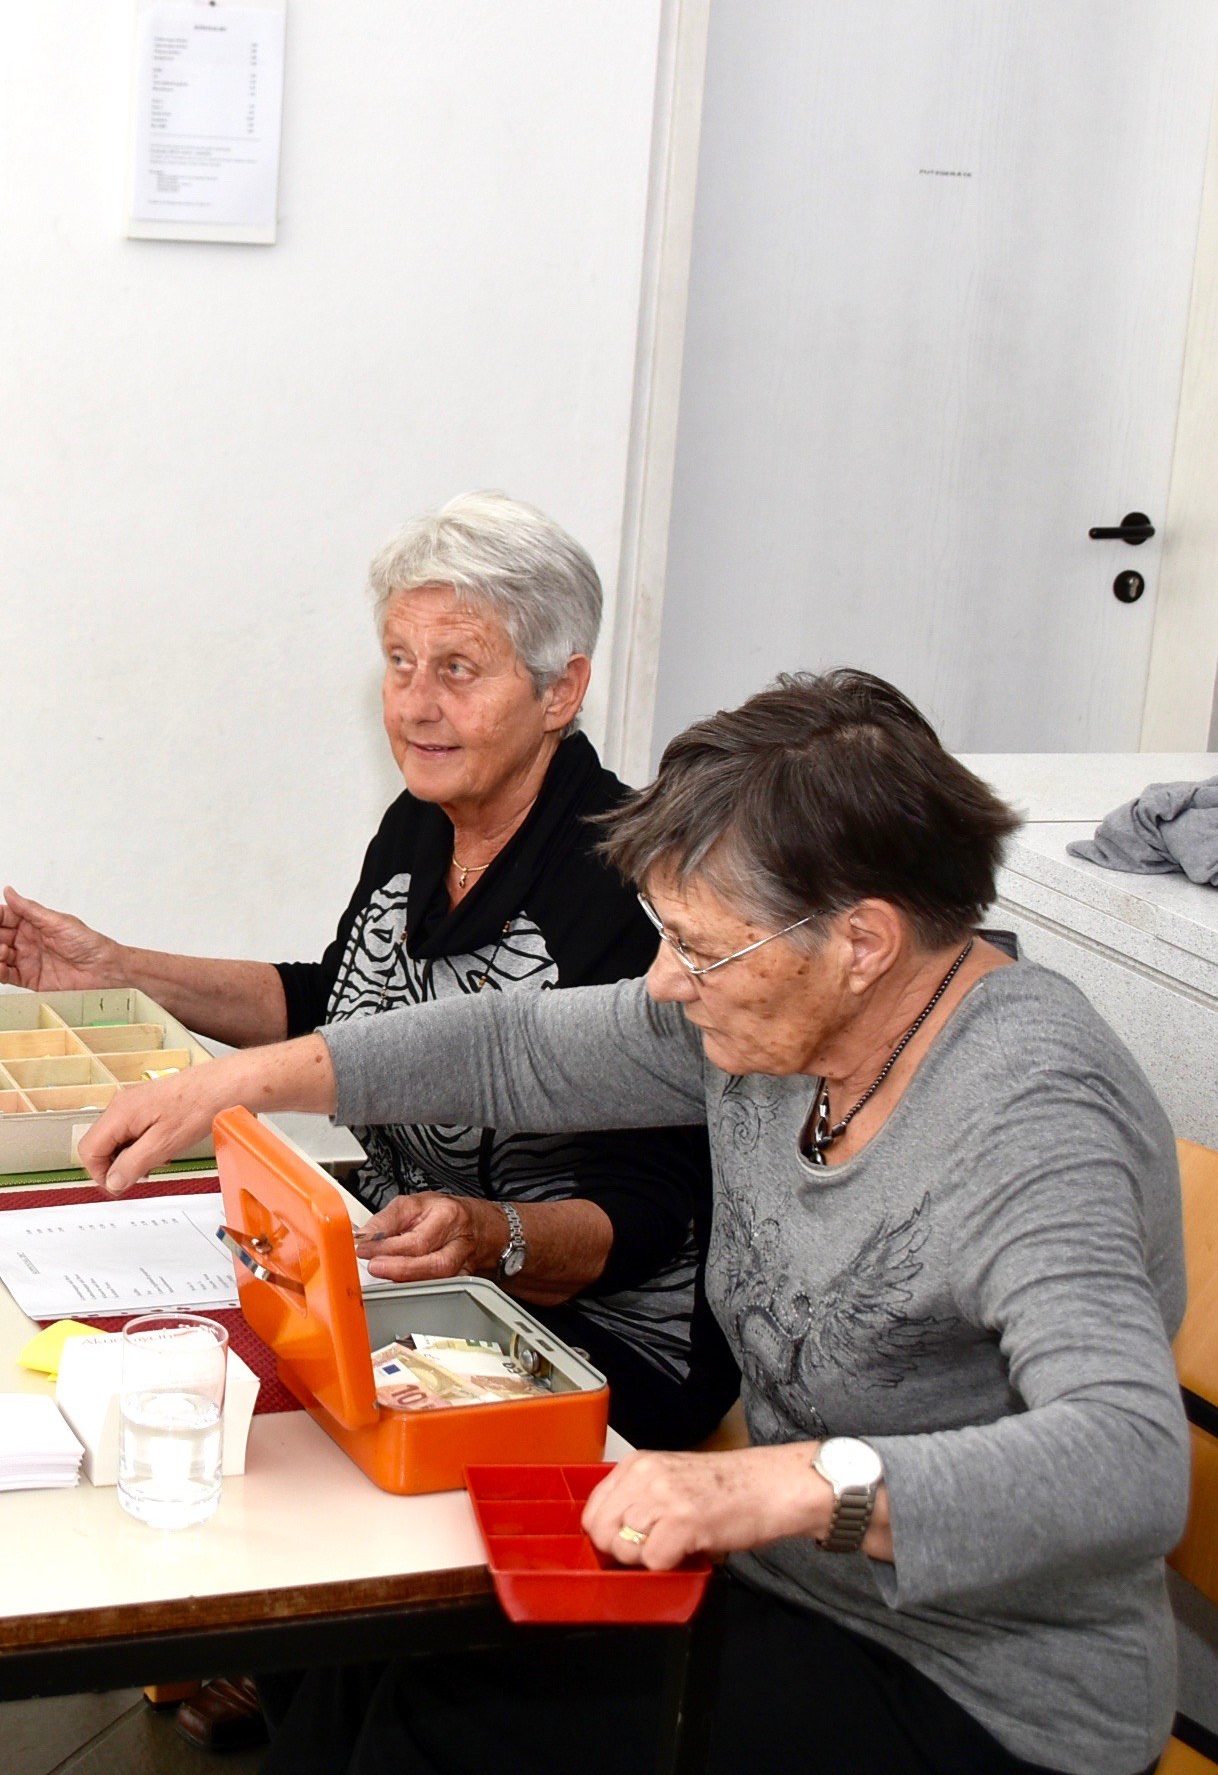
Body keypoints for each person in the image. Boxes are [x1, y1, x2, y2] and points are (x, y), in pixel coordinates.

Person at [80, 670, 1188, 1775]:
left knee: (447, 1712)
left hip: (981, 1690)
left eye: (700, 948)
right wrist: (241, 1081)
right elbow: (512, 1044)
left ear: (862, 942)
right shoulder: (787, 1018)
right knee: (364, 1631)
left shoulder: (1032, 1119)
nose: (664, 982)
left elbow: (1128, 1463)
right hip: (789, 1588)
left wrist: (776, 1484)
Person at [0, 492, 737, 1451]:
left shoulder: (625, 887)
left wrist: (490, 1234)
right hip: (401, 1279)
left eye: (458, 669)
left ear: (560, 691)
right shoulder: (422, 821)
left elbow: (655, 1217)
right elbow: (342, 1005)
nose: (416, 704)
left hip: (591, 1348)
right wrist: (123, 973)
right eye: (399, 661)